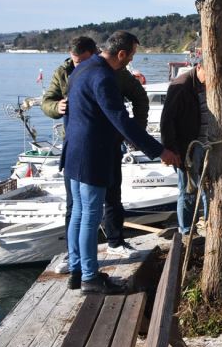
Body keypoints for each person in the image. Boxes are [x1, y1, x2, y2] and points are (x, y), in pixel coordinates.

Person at [60, 31, 179, 293]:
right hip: (92, 155)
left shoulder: (81, 69)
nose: (131, 60)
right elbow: (120, 120)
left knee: (79, 214)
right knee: (90, 216)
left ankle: (77, 271)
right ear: (122, 54)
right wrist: (158, 151)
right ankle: (90, 278)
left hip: (73, 151)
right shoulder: (103, 77)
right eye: (132, 55)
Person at [43, 36, 150, 274]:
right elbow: (118, 116)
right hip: (88, 151)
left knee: (106, 201)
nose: (78, 63)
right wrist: (55, 108)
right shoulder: (89, 74)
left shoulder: (108, 73)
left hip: (93, 147)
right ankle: (85, 271)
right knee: (84, 212)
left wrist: (134, 131)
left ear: (92, 54)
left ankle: (103, 249)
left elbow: (138, 99)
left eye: (81, 59)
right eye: (75, 60)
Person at [160, 59, 209, 235]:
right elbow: (166, 121)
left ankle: (210, 224)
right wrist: (171, 150)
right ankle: (187, 230)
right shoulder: (180, 86)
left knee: (208, 189)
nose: (211, 79)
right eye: (208, 74)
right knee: (188, 190)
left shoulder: (205, 83)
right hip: (188, 148)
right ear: (199, 68)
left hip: (207, 144)